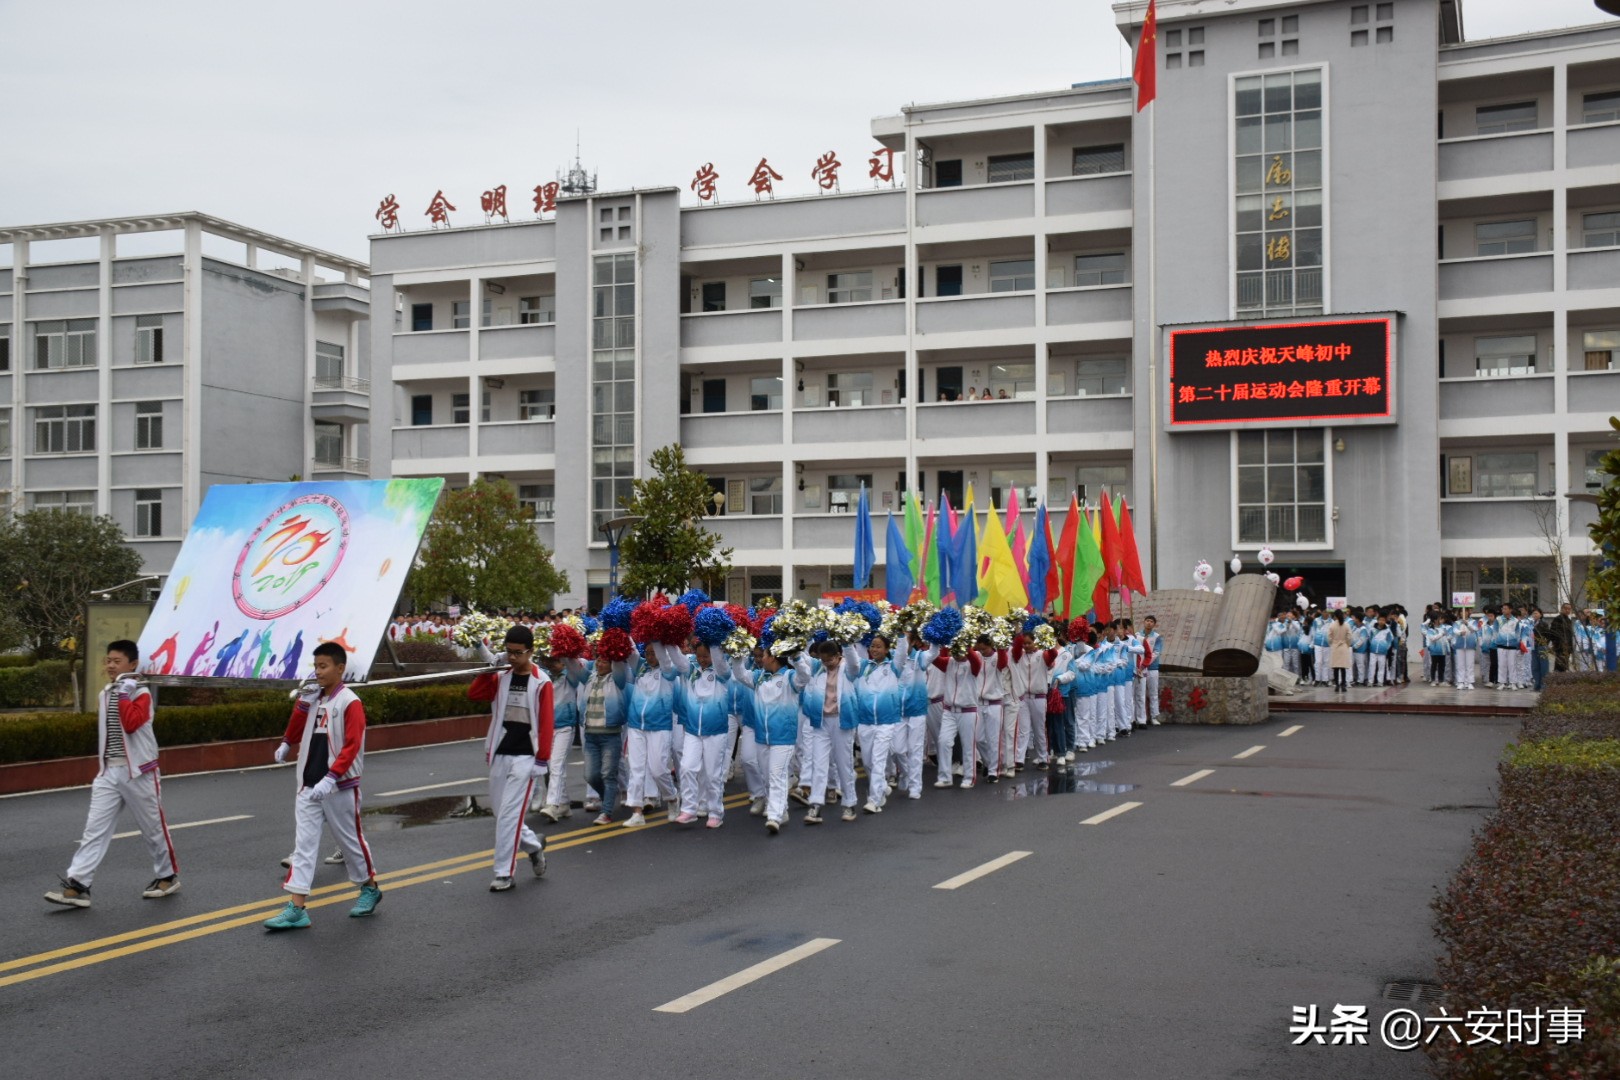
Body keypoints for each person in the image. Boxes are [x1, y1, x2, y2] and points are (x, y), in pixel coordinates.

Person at [45, 641, 179, 909]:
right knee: (94, 830)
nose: (110, 666)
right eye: (108, 660)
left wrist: (126, 694)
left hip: (139, 772)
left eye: (116, 661)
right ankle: (78, 885)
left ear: (132, 665)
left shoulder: (141, 694)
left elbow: (130, 725)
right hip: (109, 772)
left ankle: (167, 876)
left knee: (153, 829)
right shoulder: (107, 693)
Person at [263, 642, 381, 930]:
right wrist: (286, 742)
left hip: (340, 786)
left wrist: (332, 776)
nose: (318, 672)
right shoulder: (313, 697)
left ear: (340, 669)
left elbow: (352, 745)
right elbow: (298, 722)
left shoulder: (350, 702)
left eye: (324, 666)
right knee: (303, 848)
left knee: (350, 843)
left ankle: (369, 888)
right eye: (315, 666)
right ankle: (296, 908)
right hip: (308, 784)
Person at [469, 626, 553, 892]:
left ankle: (503, 872)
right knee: (502, 814)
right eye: (509, 652)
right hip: (500, 752)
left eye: (518, 653)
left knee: (508, 817)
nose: (513, 657)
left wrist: (543, 759)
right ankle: (534, 845)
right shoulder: (501, 676)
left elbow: (546, 723)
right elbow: (475, 694)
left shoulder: (542, 681)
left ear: (531, 652)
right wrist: (490, 666)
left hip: (526, 757)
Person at [730, 647, 807, 833]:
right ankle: (783, 810)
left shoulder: (790, 677)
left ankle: (774, 816)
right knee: (766, 776)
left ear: (773, 658)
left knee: (776, 774)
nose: (760, 658)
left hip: (783, 737)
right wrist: (737, 655)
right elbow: (740, 674)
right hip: (762, 737)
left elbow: (804, 677)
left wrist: (796, 657)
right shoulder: (758, 677)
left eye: (764, 655)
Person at [671, 641, 732, 828]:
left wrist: (713, 639)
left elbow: (720, 664)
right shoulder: (692, 670)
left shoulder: (721, 672)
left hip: (715, 730)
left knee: (713, 774)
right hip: (692, 730)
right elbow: (677, 659)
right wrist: (667, 639)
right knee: (687, 767)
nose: (703, 660)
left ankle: (715, 812)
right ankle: (689, 808)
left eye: (706, 656)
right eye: (700, 656)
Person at [847, 632, 910, 812]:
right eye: (872, 646)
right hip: (865, 721)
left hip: (886, 722)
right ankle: (881, 787)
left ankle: (874, 800)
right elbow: (851, 659)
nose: (874, 649)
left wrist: (900, 635)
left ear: (887, 649)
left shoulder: (894, 667)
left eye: (879, 646)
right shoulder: (863, 666)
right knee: (867, 762)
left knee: (878, 760)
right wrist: (846, 642)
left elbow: (902, 653)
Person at [623, 643, 681, 826]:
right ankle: (637, 812)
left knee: (657, 769)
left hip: (659, 725)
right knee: (636, 769)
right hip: (636, 724)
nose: (649, 657)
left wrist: (660, 639)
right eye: (647, 653)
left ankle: (672, 797)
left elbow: (666, 662)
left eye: (653, 653)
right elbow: (631, 649)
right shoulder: (641, 667)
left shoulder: (669, 670)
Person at [534, 649, 588, 820]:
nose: (552, 663)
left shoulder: (569, 676)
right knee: (551, 766)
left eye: (556, 660)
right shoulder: (544, 676)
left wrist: (564, 651)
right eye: (549, 660)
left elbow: (576, 670)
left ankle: (553, 805)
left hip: (565, 727)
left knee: (556, 765)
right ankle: (564, 804)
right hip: (548, 727)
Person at [580, 650, 628, 826]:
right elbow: (572, 666)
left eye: (605, 662)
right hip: (591, 734)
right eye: (598, 660)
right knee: (591, 776)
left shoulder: (617, 680)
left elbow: (620, 667)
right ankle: (607, 796)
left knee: (608, 774)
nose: (600, 664)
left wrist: (615, 648)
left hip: (610, 735)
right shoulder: (589, 678)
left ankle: (606, 811)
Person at [1327, 610, 1352, 692]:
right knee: (1343, 668)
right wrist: (1347, 644)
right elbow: (1349, 637)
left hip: (1335, 647)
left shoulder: (1332, 625)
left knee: (1336, 668)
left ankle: (1337, 685)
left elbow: (1329, 637)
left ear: (1335, 616)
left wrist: (1332, 643)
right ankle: (1343, 685)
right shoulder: (1346, 625)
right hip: (1344, 646)